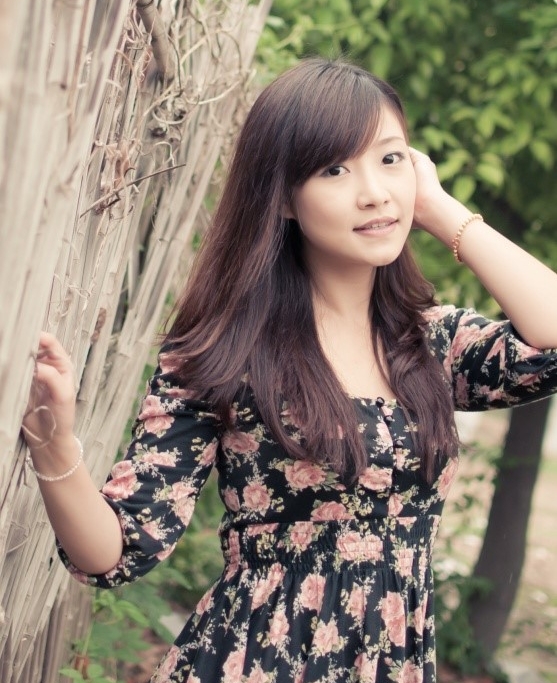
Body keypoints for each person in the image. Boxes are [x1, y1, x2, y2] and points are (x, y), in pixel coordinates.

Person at [22, 58, 557, 683]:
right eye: (334, 169)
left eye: (390, 159)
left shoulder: (429, 344)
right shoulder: (226, 353)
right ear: (281, 198)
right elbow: (116, 551)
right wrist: (54, 446)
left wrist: (439, 211)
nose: (374, 192)